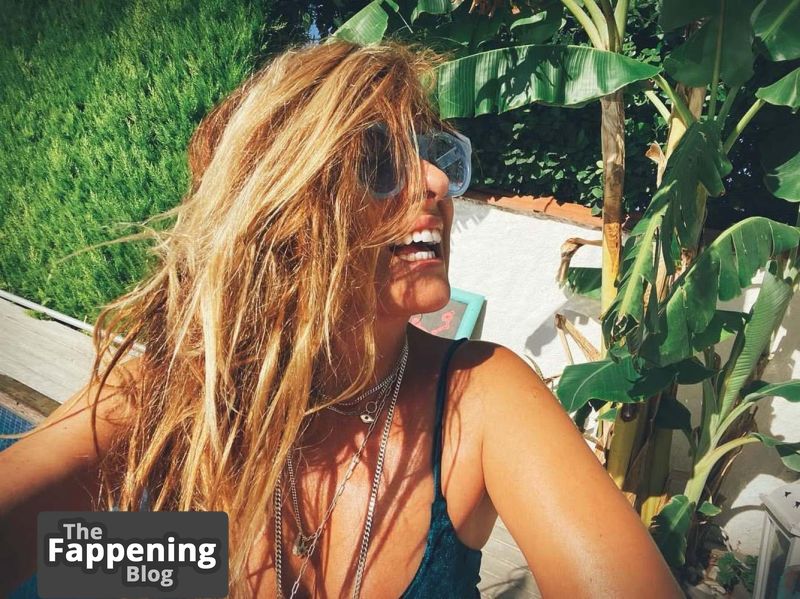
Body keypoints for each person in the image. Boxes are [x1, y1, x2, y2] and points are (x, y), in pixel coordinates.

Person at [0, 40, 683, 598]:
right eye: (379, 160)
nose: (436, 183)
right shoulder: (179, 394)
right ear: (283, 210)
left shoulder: (482, 399)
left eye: (436, 153)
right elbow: (68, 555)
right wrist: (161, 564)